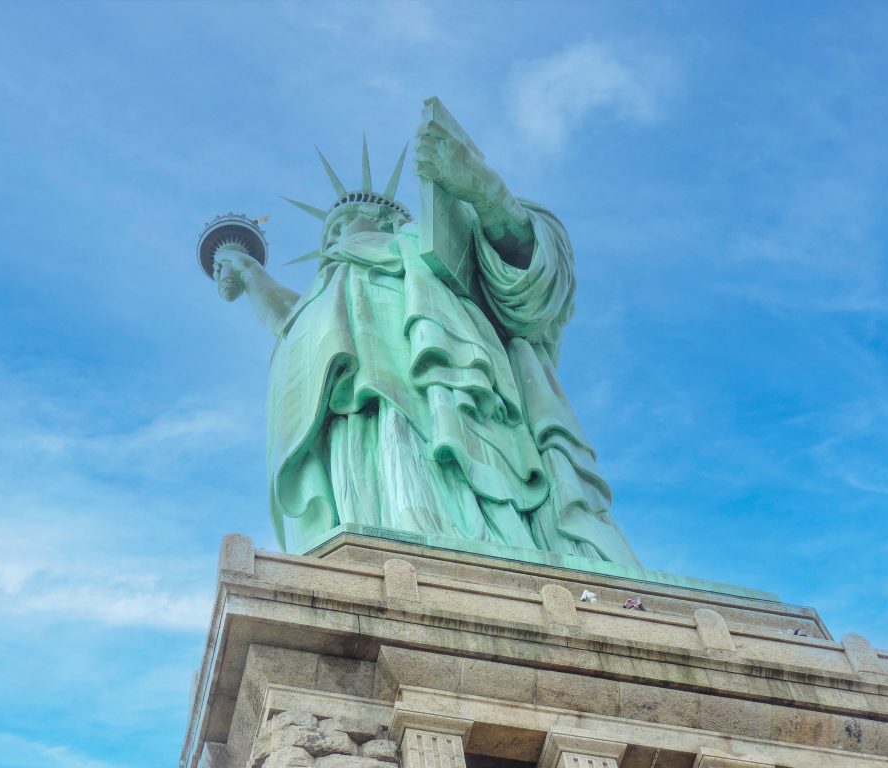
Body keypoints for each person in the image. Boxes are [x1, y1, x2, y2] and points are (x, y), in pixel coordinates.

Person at [214, 118, 639, 567]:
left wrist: (483, 191)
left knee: (460, 482)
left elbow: (533, 281)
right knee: (378, 482)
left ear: (386, 218)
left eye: (341, 226)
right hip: (355, 414)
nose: (334, 242)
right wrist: (245, 269)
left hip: (457, 400)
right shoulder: (330, 290)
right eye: (330, 236)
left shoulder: (426, 248)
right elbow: (291, 321)